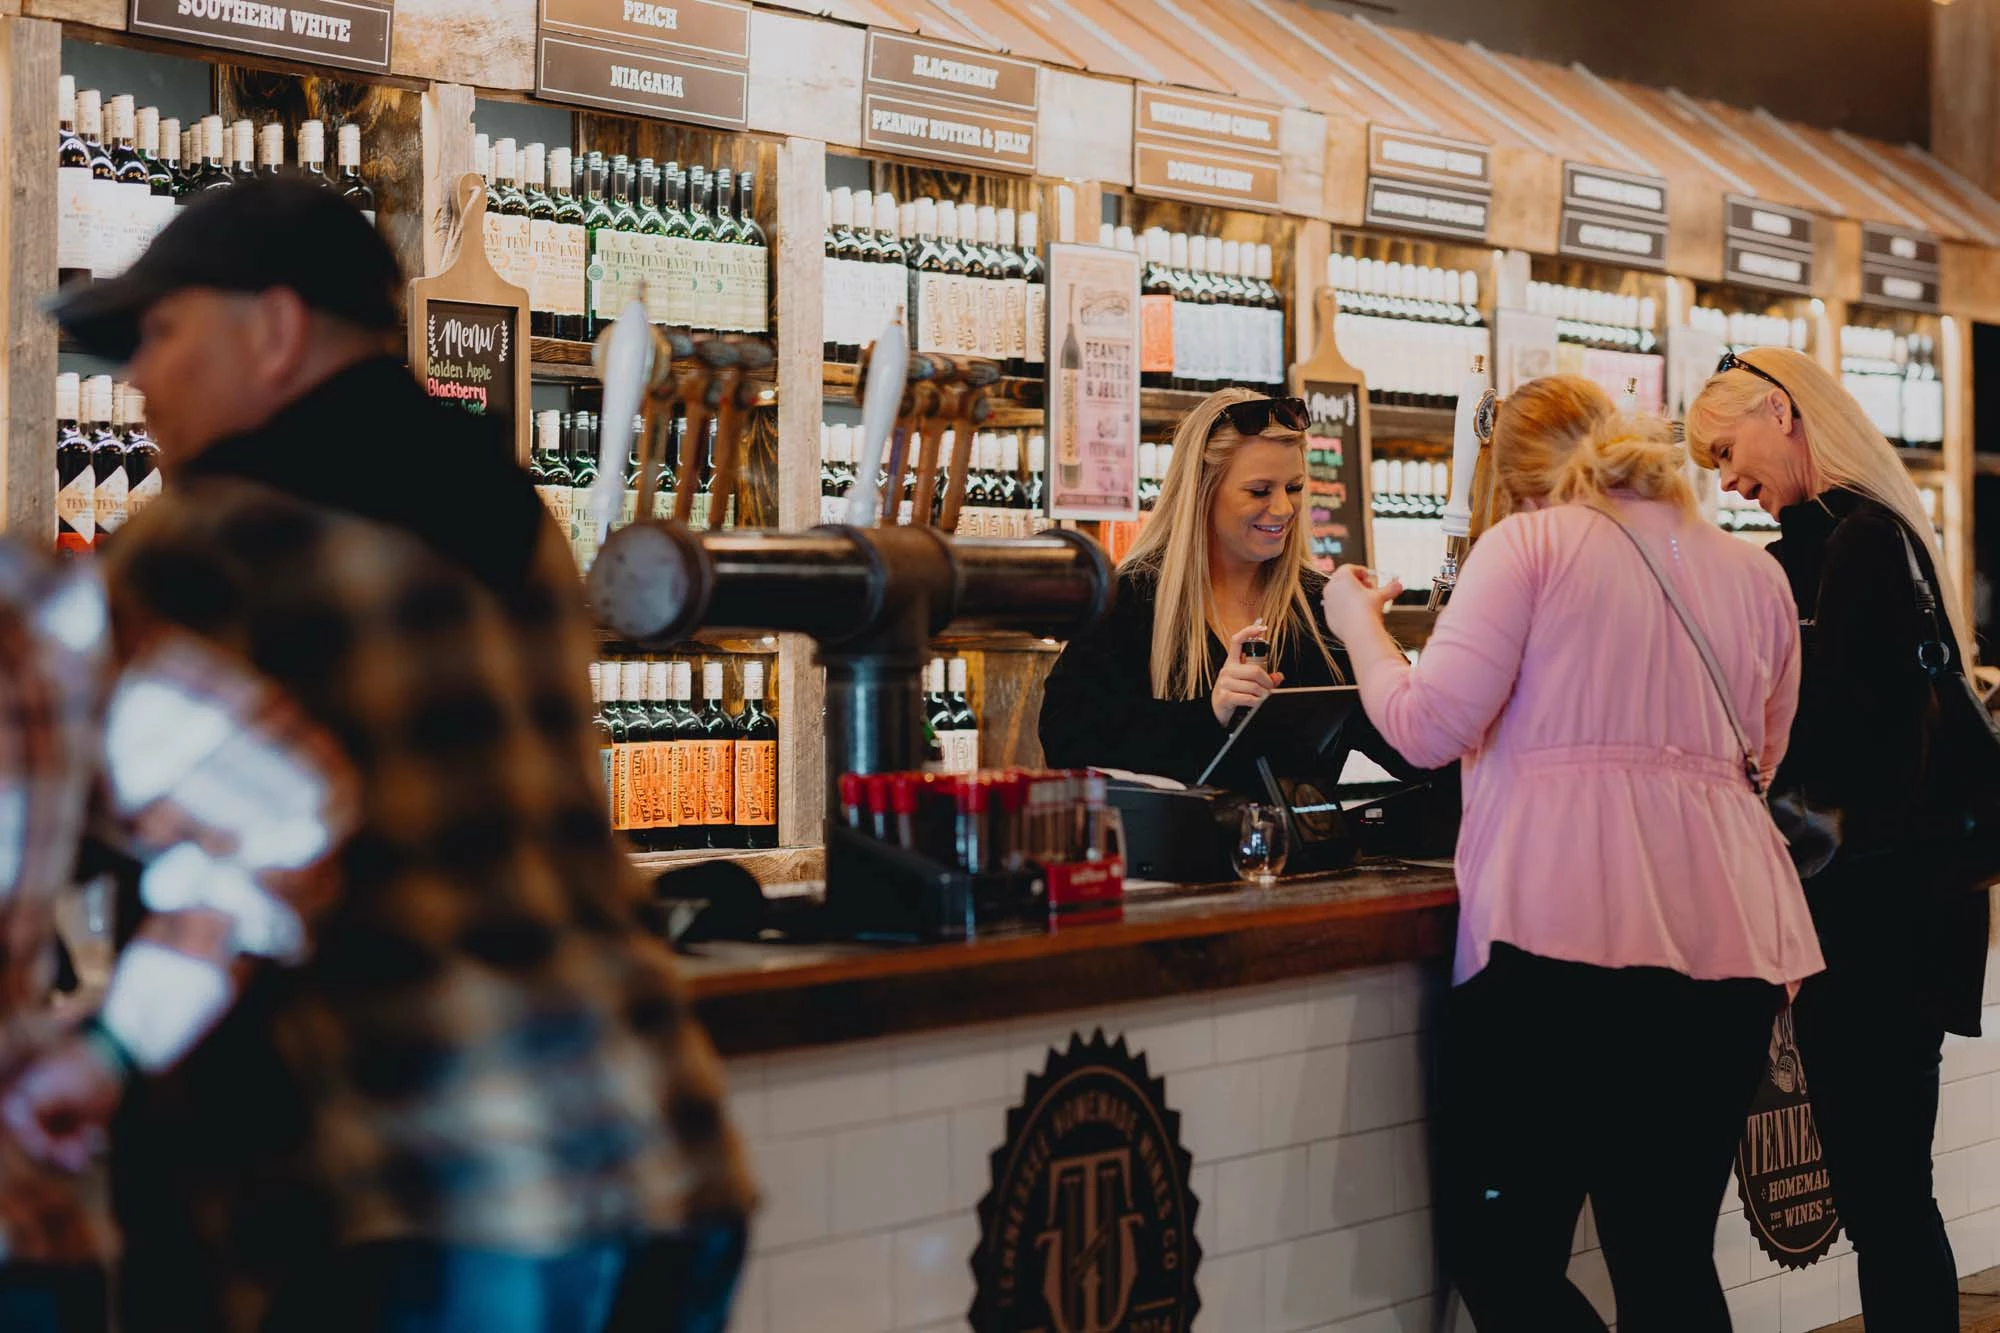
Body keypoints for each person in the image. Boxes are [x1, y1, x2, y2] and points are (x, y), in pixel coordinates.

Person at [21, 180, 755, 1333]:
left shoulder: (213, 538)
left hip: (419, 1182)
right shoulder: (504, 502)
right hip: (649, 1136)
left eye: (160, 333)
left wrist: (107, 1043)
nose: (138, 382)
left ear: (272, 327)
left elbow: (56, 808)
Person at [1321, 376, 1822, 1331]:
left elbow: (1427, 726)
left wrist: (1361, 630)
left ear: (1508, 485)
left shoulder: (1531, 545)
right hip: (1729, 939)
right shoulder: (1755, 572)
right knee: (1667, 1255)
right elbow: (1762, 751)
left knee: (1505, 1254)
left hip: (1557, 937)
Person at [1688, 346, 1989, 1331]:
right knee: (1889, 1196)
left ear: (1781, 412)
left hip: (1868, 916)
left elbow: (1856, 742)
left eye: (1727, 452)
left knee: (1885, 1199)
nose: (1726, 481)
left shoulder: (1841, 548)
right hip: (1906, 909)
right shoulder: (1878, 532)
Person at [1038, 387, 1415, 785]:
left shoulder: (1323, 607)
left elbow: (1416, 747)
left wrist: (1374, 645)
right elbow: (1068, 744)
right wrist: (1210, 714)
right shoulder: (1130, 600)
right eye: (1259, 491)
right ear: (1202, 491)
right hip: (1177, 847)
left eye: (1294, 488)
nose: (1284, 509)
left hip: (1304, 849)